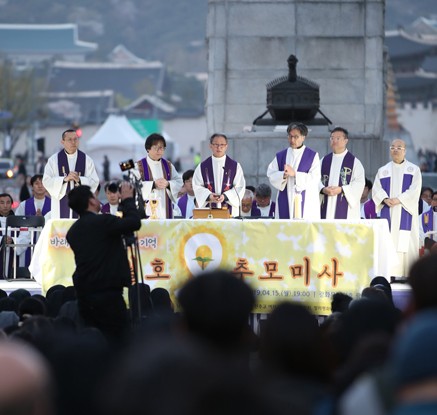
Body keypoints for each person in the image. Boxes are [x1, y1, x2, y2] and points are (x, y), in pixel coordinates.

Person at [66, 183, 141, 341]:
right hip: (108, 293)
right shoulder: (103, 222)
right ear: (92, 202)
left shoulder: (73, 231)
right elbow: (134, 222)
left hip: (85, 295)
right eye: (94, 196)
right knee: (118, 340)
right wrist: (127, 199)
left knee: (94, 338)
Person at [372, 138, 421, 277]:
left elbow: (415, 190)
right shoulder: (383, 170)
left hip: (405, 211)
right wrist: (385, 199)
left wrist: (399, 199)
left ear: (405, 151)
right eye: (393, 147)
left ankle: (407, 274)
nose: (395, 150)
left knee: (406, 242)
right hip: (388, 211)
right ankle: (389, 274)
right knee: (388, 242)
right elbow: (376, 189)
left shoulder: (413, 170)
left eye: (399, 147)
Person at [267, 123, 321, 219]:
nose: (292, 140)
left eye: (296, 137)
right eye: (290, 136)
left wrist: (295, 174)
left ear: (303, 137)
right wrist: (283, 176)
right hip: (285, 199)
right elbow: (271, 173)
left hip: (305, 202)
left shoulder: (312, 156)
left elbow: (315, 178)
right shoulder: (281, 155)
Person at [43, 129, 99, 219]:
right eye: (70, 139)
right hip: (60, 206)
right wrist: (64, 180)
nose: (73, 142)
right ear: (62, 142)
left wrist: (79, 180)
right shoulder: (53, 160)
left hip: (81, 206)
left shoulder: (86, 160)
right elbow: (46, 181)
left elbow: (94, 181)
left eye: (75, 139)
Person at [192, 133, 246, 217]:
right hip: (209, 210)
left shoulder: (235, 166)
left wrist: (225, 196)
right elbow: (197, 186)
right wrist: (209, 196)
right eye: (216, 144)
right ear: (210, 146)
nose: (219, 147)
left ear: (226, 146)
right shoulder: (202, 166)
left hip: (229, 210)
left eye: (222, 145)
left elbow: (240, 187)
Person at [320, 127, 365, 220]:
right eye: (332, 138)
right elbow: (314, 179)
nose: (334, 141)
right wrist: (323, 189)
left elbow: (359, 184)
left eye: (338, 138)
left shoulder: (354, 163)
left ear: (346, 141)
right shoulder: (324, 160)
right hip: (325, 205)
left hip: (346, 210)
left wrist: (342, 189)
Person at [136, 133, 182, 219]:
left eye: (161, 148)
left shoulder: (168, 165)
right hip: (147, 212)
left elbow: (179, 181)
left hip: (166, 211)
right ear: (148, 148)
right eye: (156, 148)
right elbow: (133, 186)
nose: (159, 151)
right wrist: (153, 185)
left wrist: (168, 184)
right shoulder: (139, 166)